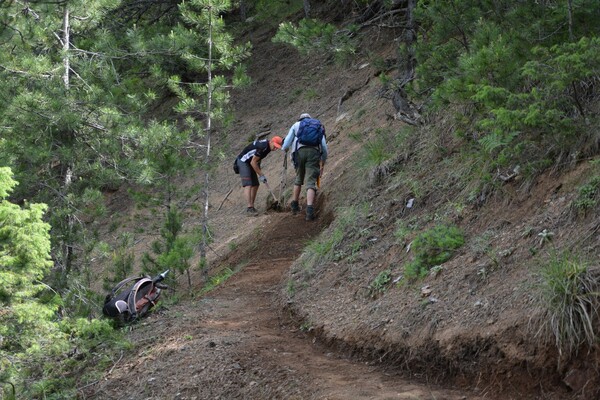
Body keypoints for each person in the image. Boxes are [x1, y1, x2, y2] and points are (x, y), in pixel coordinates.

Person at [282, 113, 328, 221]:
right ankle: (310, 211)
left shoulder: (296, 125)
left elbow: (286, 144)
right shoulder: (318, 126)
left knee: (298, 179)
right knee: (311, 181)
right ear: (310, 119)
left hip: (299, 153)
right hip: (313, 153)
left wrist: (285, 149)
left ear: (300, 119)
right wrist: (323, 161)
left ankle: (294, 206)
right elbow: (324, 148)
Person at [235, 136, 283, 214]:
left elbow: (257, 160)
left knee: (256, 184)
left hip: (251, 162)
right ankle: (249, 208)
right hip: (243, 161)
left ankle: (252, 206)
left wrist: (259, 173)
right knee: (248, 184)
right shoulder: (263, 146)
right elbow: (253, 162)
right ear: (271, 142)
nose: (275, 149)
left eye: (277, 147)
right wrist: (261, 174)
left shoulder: (268, 148)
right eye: (275, 146)